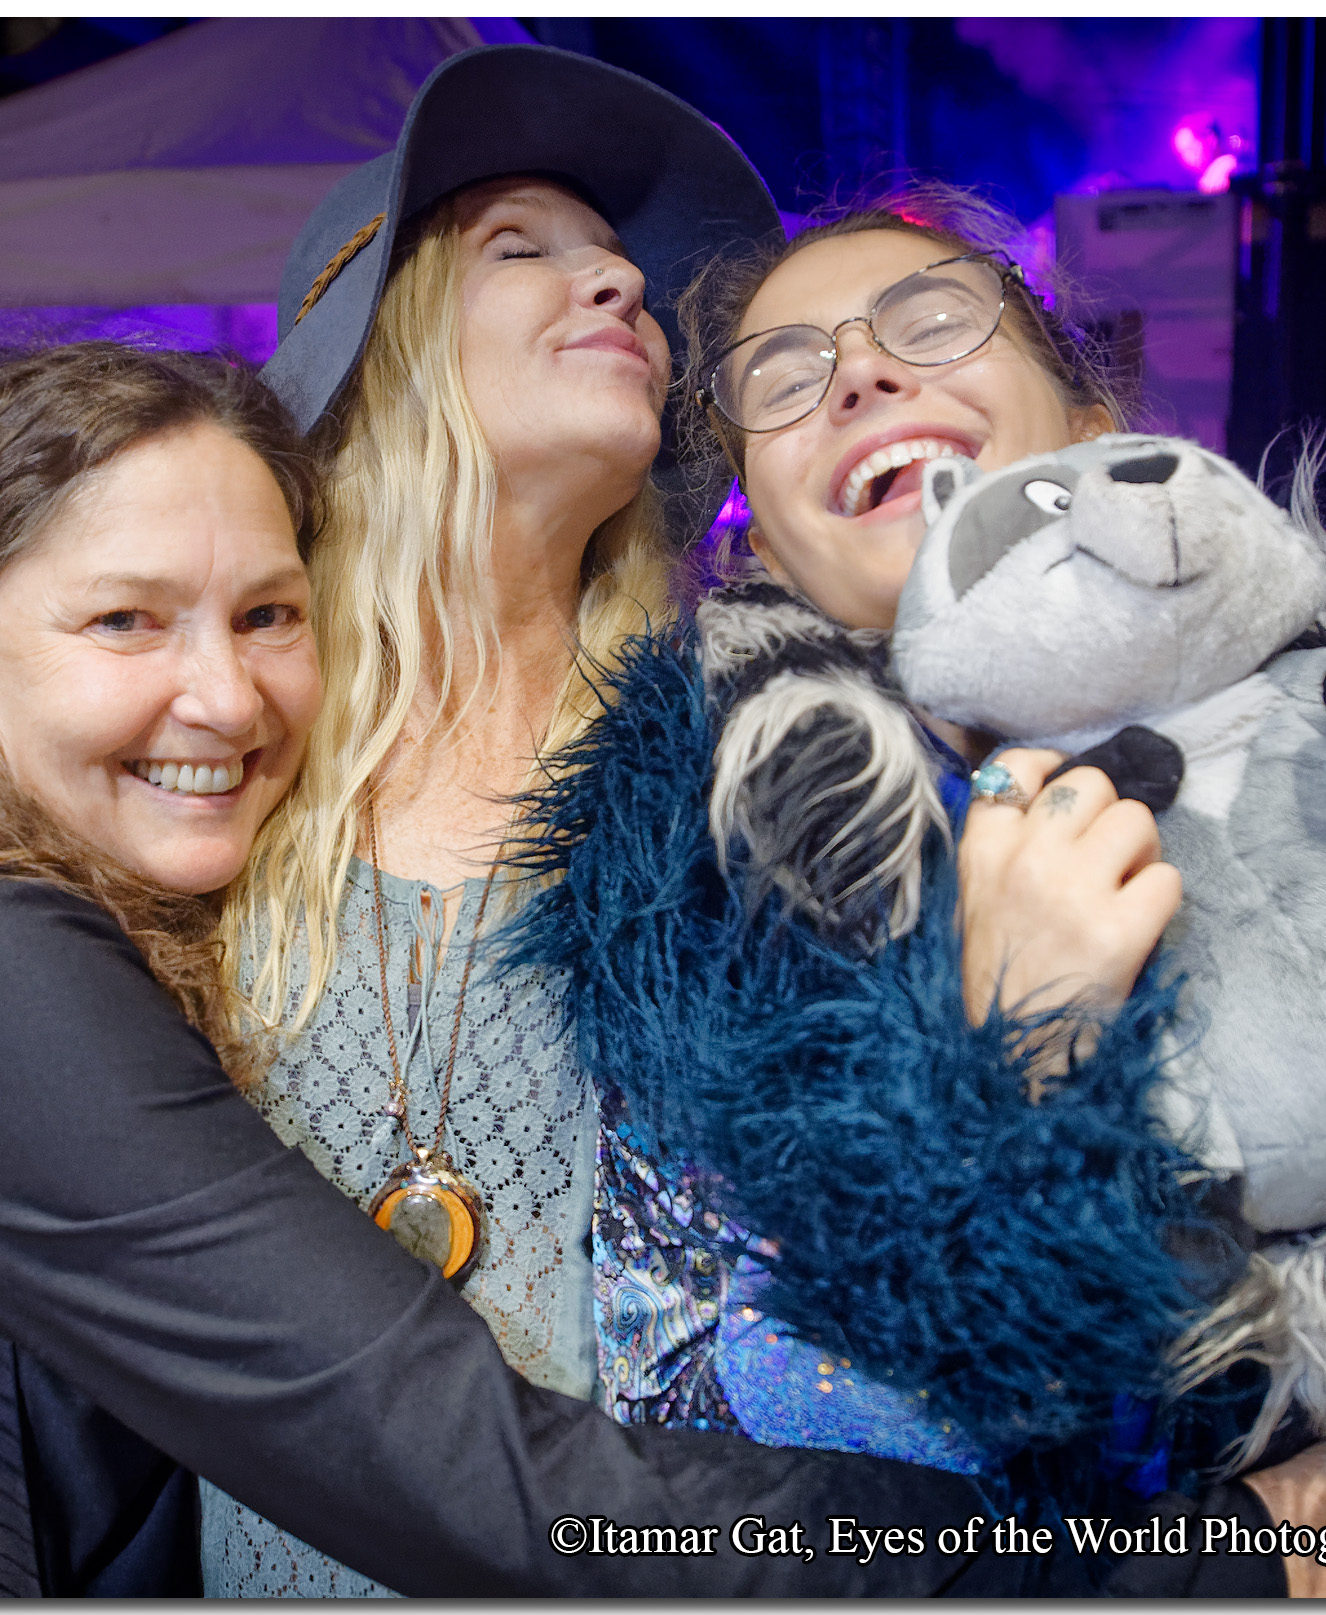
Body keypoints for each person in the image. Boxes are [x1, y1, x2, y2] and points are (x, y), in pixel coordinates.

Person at [0, 338, 1326, 1599]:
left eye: (269, 614)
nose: (224, 694)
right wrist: (1199, 1568)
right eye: (124, 620)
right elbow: (490, 1482)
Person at [498, 180, 1326, 1595]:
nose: (859, 373)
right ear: (762, 539)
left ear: (1092, 425)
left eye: (929, 319)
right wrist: (1019, 1041)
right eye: (783, 376)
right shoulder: (721, 880)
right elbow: (781, 1436)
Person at [205, 44, 783, 1594]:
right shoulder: (217, 769)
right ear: (374, 348)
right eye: (520, 247)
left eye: (624, 269)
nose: (622, 281)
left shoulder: (746, 767)